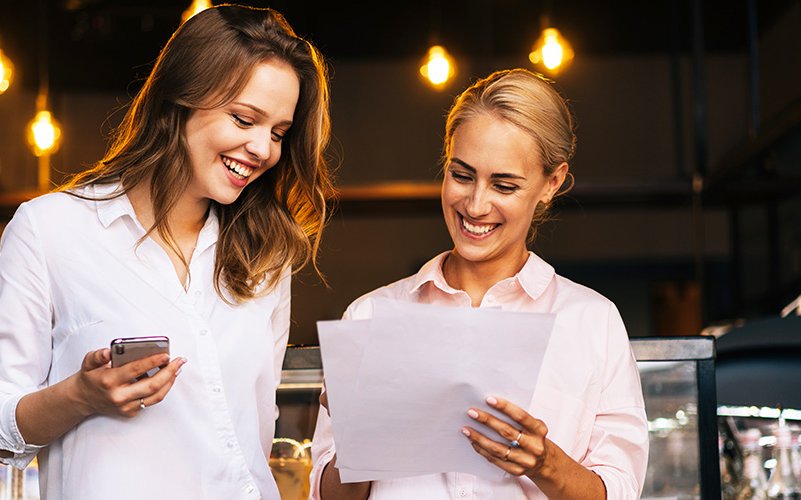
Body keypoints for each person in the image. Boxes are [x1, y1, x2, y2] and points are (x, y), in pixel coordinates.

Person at [0, 5, 332, 499]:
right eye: (244, 119)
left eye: (278, 133)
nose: (263, 149)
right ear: (179, 100)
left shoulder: (266, 254)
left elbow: (257, 429)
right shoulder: (50, 231)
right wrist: (79, 395)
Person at [310, 68, 648, 499]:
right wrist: (362, 440)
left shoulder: (592, 322)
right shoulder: (370, 315)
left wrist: (545, 463)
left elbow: (620, 490)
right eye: (462, 175)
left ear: (552, 183)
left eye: (504, 185)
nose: (475, 205)